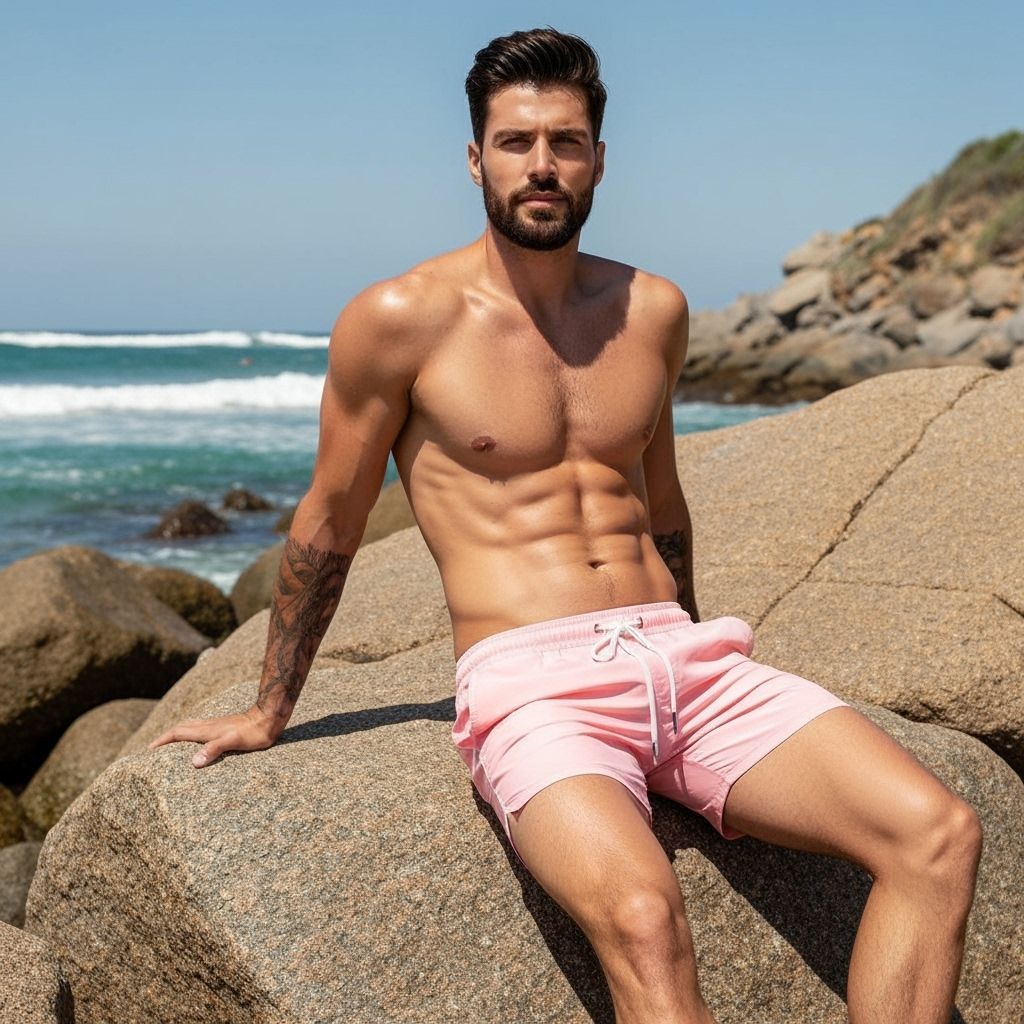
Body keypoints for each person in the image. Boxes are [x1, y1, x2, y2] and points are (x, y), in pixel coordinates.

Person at [149, 27, 982, 1024]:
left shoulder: (652, 309)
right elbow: (329, 520)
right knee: (642, 916)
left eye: (565, 141)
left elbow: (659, 503)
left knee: (937, 832)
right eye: (515, 142)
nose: (540, 164)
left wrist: (701, 648)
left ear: (597, 159)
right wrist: (269, 707)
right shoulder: (399, 318)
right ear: (474, 159)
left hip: (683, 664)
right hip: (534, 687)